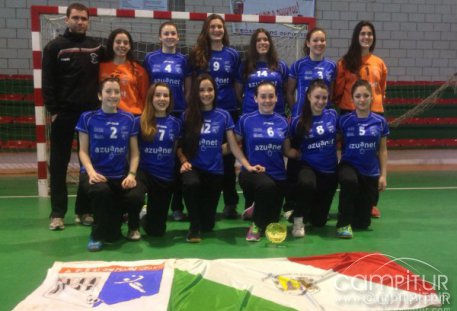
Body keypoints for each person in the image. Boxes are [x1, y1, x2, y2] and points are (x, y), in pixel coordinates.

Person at [178, 73, 261, 243]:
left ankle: (200, 222)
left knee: (208, 225)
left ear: (215, 92)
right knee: (190, 184)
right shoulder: (187, 115)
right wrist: (183, 161)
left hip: (214, 172)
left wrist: (247, 165)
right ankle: (193, 226)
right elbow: (179, 146)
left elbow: (233, 146)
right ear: (196, 92)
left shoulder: (223, 116)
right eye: (202, 90)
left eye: (209, 90)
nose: (206, 94)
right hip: (192, 168)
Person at [42, 3, 103, 230]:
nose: (80, 22)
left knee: (88, 165)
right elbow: (47, 82)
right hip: (64, 114)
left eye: (84, 18)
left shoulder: (96, 47)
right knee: (59, 164)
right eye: (76, 18)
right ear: (66, 20)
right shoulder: (54, 48)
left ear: (88, 21)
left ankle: (84, 210)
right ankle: (57, 213)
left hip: (89, 116)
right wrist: (54, 111)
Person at [76, 77, 143, 251]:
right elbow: (82, 151)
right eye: (108, 91)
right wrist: (90, 172)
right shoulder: (87, 118)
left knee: (135, 195)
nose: (113, 95)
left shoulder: (129, 119)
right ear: (100, 95)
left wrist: (131, 174)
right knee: (101, 191)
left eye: (116, 92)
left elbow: (135, 152)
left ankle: (128, 224)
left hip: (119, 175)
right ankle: (96, 234)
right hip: (95, 174)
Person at [333, 20, 388, 218]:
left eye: (370, 34)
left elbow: (381, 88)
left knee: (371, 155)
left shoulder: (379, 63)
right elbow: (338, 90)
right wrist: (348, 107)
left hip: (374, 113)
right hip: (350, 113)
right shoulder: (345, 62)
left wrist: (374, 108)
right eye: (363, 33)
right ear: (356, 37)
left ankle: (370, 201)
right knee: (351, 155)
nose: (366, 37)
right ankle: (351, 195)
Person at [189, 14, 241, 219]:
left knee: (227, 160)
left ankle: (230, 203)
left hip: (227, 111)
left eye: (220, 27)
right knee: (200, 152)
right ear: (206, 30)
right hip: (202, 111)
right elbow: (192, 83)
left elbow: (237, 84)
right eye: (213, 27)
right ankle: (194, 200)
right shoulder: (198, 53)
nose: (217, 30)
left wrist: (238, 106)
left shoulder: (233, 54)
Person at [284, 27, 336, 220]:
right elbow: (289, 91)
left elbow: (333, 93)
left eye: (322, 40)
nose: (319, 43)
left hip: (320, 117)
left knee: (313, 160)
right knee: (296, 161)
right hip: (302, 121)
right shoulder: (298, 65)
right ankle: (290, 204)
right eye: (315, 40)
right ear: (307, 43)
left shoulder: (331, 66)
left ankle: (312, 205)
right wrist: (296, 109)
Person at [144, 21, 191, 221]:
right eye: (166, 33)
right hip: (155, 112)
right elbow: (146, 85)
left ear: (178, 37)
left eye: (173, 33)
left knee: (176, 158)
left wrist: (185, 107)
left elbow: (187, 86)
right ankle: (146, 202)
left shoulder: (183, 60)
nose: (170, 36)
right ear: (160, 37)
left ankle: (177, 206)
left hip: (177, 112)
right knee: (153, 154)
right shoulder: (150, 58)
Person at [235, 82, 292, 242]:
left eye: (271, 96)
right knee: (267, 187)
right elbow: (234, 145)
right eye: (263, 96)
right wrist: (246, 165)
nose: (267, 100)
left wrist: (304, 153)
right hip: (253, 172)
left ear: (276, 98)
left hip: (278, 175)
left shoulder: (282, 121)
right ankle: (255, 226)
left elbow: (287, 151)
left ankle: (255, 210)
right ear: (255, 98)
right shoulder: (246, 120)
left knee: (272, 221)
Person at [336, 79, 389, 239]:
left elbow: (383, 150)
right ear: (352, 99)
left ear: (372, 98)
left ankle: (356, 216)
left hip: (370, 171)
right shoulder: (344, 120)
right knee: (349, 182)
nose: (362, 99)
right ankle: (343, 224)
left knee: (362, 223)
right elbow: (332, 142)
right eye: (358, 96)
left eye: (366, 95)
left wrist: (383, 175)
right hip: (349, 165)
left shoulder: (380, 122)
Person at [285, 79, 338, 238]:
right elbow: (289, 145)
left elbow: (341, 134)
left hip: (329, 172)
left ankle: (303, 212)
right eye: (317, 97)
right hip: (308, 167)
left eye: (324, 98)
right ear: (308, 96)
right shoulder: (298, 121)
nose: (320, 101)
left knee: (319, 222)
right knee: (306, 182)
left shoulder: (333, 115)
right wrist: (293, 153)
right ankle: (298, 220)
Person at [133, 83, 182, 236]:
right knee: (133, 196)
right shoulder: (139, 121)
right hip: (143, 172)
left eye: (166, 95)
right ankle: (132, 224)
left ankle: (146, 215)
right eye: (158, 95)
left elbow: (175, 149)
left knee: (156, 231)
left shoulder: (176, 123)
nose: (162, 99)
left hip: (164, 176)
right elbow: (132, 150)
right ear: (151, 98)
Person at [236, 28, 289, 116]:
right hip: (251, 115)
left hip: (277, 114)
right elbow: (238, 94)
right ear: (254, 44)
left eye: (265, 39)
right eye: (258, 40)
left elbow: (286, 92)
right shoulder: (244, 66)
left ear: (270, 43)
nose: (262, 42)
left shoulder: (281, 66)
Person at [99, 28, 149, 116]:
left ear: (130, 46)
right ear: (112, 44)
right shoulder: (102, 67)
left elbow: (145, 97)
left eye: (126, 43)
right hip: (107, 115)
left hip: (132, 116)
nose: (122, 45)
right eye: (118, 42)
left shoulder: (138, 70)